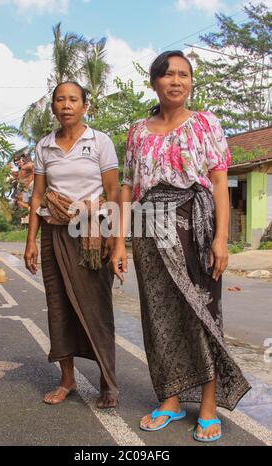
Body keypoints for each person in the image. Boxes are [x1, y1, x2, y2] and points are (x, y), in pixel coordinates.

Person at [111, 51, 251, 441]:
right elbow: (127, 186)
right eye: (168, 74)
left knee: (202, 312)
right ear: (154, 82)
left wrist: (222, 238)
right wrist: (119, 243)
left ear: (191, 82)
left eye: (183, 75)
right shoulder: (137, 130)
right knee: (157, 317)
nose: (176, 81)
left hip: (196, 224)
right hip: (148, 228)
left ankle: (208, 406)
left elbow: (220, 183)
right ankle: (169, 400)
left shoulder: (206, 123)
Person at [24, 81, 120, 409]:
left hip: (92, 233)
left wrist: (114, 239)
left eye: (73, 99)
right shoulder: (44, 146)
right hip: (54, 233)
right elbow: (38, 195)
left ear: (84, 106)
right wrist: (31, 242)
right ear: (52, 107)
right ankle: (67, 379)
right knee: (59, 307)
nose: (66, 105)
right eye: (60, 100)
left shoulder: (100, 142)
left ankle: (108, 382)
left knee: (97, 308)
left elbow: (113, 191)